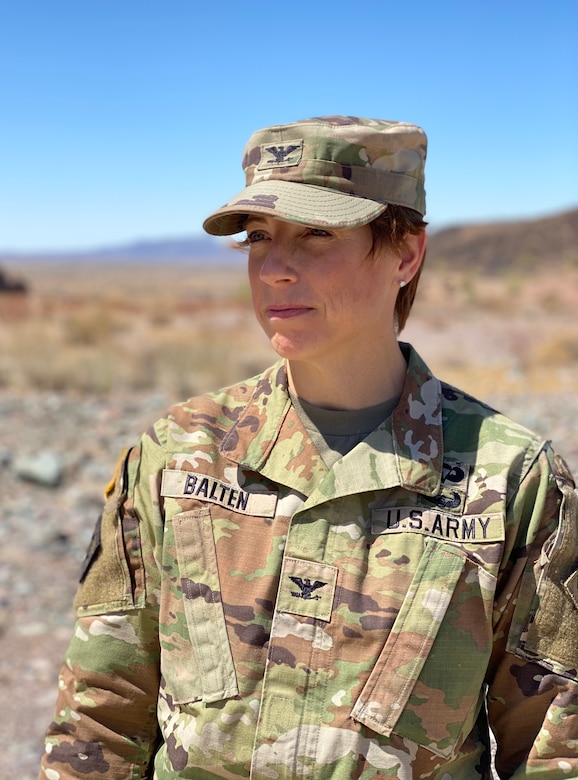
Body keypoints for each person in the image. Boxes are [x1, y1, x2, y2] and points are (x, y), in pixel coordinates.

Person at [39, 116, 578, 779]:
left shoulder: (510, 480)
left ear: (407, 254)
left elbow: (556, 746)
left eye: (317, 235)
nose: (276, 270)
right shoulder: (178, 454)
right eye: (260, 238)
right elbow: (100, 718)